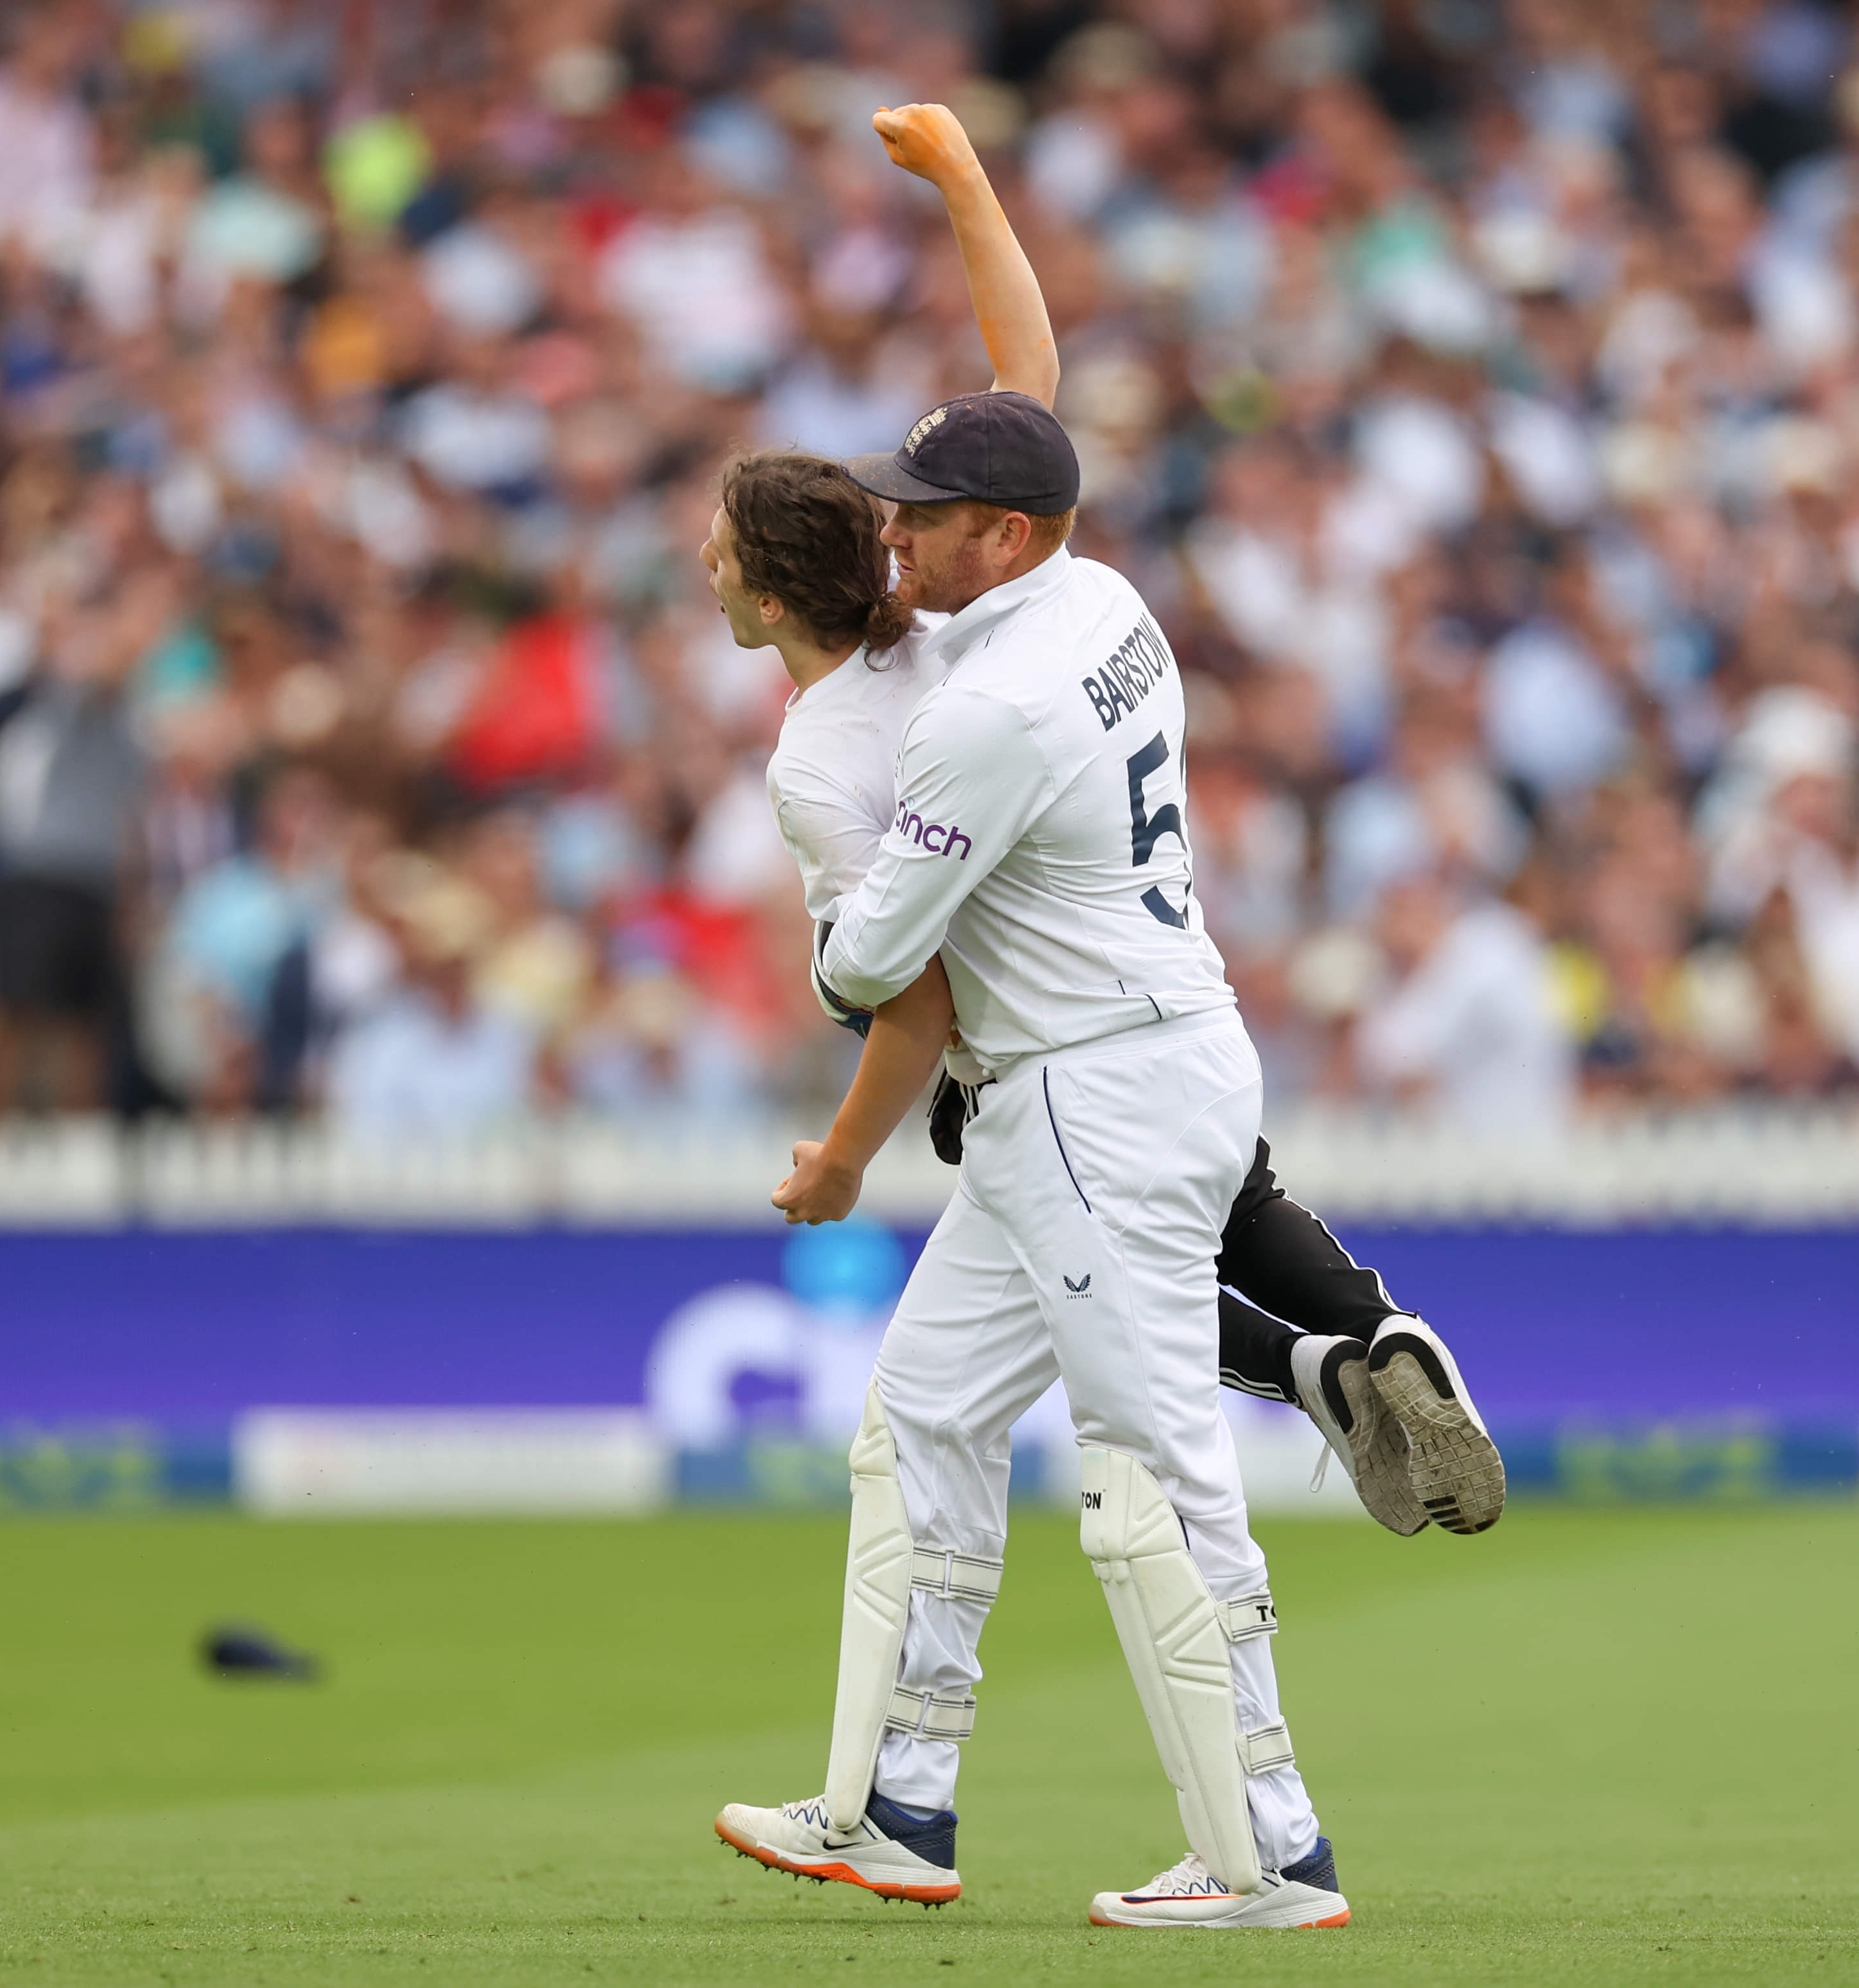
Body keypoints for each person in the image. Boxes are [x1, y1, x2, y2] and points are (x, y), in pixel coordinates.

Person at [708, 105, 1497, 1932]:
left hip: (1078, 1097)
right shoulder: (1093, 595)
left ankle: (1264, 1853)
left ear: (999, 531)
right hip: (1167, 1049)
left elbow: (869, 963)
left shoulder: (977, 713)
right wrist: (968, 184)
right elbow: (1026, 390)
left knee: (1148, 1484)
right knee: (917, 1421)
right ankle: (891, 1802)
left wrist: (832, 960)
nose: (895, 547)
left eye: (924, 524)